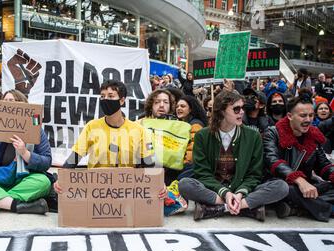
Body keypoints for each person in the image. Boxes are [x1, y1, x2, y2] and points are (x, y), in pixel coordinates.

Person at [178, 91, 289, 221]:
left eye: (243, 108)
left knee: (281, 187)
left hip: (243, 189)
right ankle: (247, 208)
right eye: (236, 109)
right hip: (214, 189)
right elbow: (202, 173)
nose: (242, 112)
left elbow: (255, 174)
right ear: (221, 111)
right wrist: (225, 193)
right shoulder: (202, 136)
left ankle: (221, 208)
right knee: (184, 184)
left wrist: (240, 193)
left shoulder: (253, 136)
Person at [54, 80, 166, 198]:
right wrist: (62, 179)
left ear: (122, 100)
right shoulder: (91, 127)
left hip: (127, 190)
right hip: (96, 190)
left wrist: (159, 183)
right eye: (102, 96)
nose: (105, 99)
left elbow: (149, 163)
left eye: (111, 96)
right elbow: (74, 157)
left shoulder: (139, 130)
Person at [264, 94, 334, 222]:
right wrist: (299, 180)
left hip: (307, 186)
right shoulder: (273, 133)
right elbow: (273, 160)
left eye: (311, 115)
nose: (308, 119)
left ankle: (298, 208)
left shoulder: (313, 135)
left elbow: (323, 165)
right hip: (280, 183)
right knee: (287, 189)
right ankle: (328, 210)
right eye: (303, 115)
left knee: (329, 187)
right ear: (290, 116)